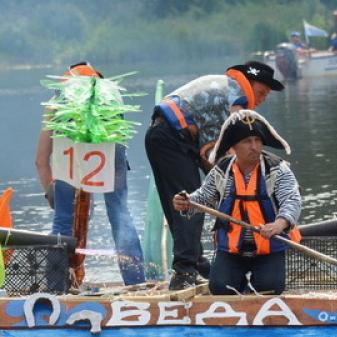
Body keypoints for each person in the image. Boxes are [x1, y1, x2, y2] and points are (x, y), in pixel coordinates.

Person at [145, 61, 285, 290]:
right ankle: (184, 272)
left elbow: (211, 159)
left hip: (160, 136)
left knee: (181, 205)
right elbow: (227, 160)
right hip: (172, 138)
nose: (263, 99)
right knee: (191, 202)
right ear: (250, 83)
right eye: (262, 92)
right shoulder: (236, 99)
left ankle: (196, 265)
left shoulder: (225, 87)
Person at [35, 62, 145, 286]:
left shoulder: (59, 99)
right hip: (110, 148)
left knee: (62, 221)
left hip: (69, 149)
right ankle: (136, 283)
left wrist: (52, 194)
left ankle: (55, 287)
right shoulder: (109, 95)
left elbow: (40, 160)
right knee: (120, 215)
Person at [173, 110, 301, 295]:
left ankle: (256, 284)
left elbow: (291, 199)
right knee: (219, 288)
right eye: (247, 142)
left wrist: (279, 224)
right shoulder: (223, 171)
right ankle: (240, 284)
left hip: (268, 247)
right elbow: (204, 197)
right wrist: (187, 202)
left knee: (270, 288)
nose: (255, 147)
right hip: (232, 249)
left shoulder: (277, 169)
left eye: (257, 140)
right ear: (233, 147)